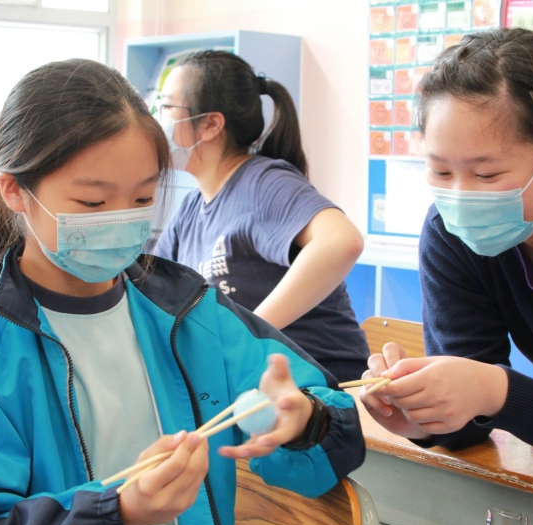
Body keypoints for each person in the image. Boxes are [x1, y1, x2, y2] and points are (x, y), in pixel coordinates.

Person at [0, 59, 365, 525]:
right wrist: (118, 512)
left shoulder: (187, 308)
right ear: (15, 191)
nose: (120, 220)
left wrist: (305, 422)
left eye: (143, 199)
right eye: (92, 203)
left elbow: (330, 416)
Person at [360, 27, 533, 464]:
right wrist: (424, 416)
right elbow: (469, 415)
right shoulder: (449, 233)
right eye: (441, 172)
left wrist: (491, 389)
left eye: (486, 175)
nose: (460, 197)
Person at [153, 51, 370, 382]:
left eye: (166, 107)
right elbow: (150, 288)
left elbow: (342, 241)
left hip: (319, 385)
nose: (156, 119)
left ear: (211, 124)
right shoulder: (190, 208)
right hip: (252, 384)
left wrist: (247, 333)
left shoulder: (264, 182)